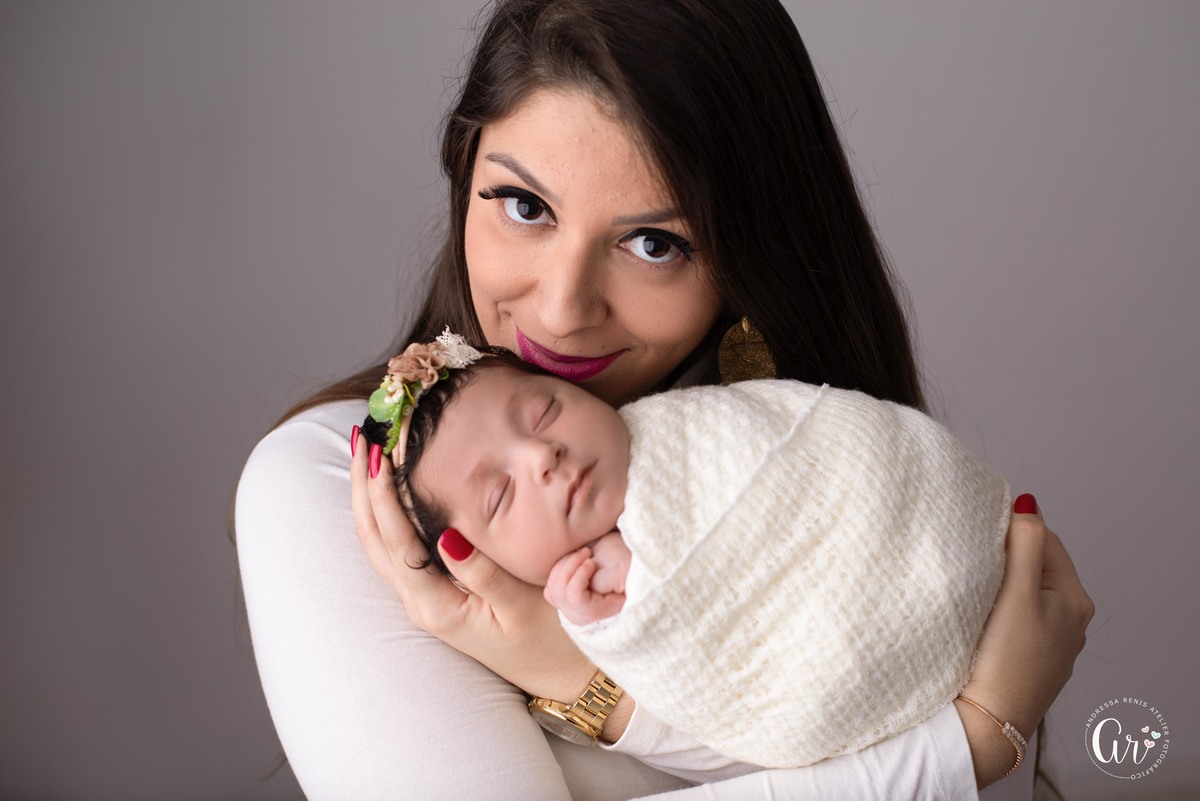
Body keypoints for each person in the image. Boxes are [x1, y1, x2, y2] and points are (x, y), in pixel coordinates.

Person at [235, 1, 1094, 798]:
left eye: (654, 243)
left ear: (750, 261)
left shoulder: (845, 485)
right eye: (525, 205)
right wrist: (964, 745)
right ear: (465, 180)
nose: (563, 308)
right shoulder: (341, 488)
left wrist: (585, 680)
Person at [366, 337, 1013, 770]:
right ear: (476, 563)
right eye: (501, 493)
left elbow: (836, 452)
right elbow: (728, 683)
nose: (541, 456)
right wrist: (626, 616)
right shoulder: (571, 605)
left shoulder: (686, 425)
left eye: (543, 412)